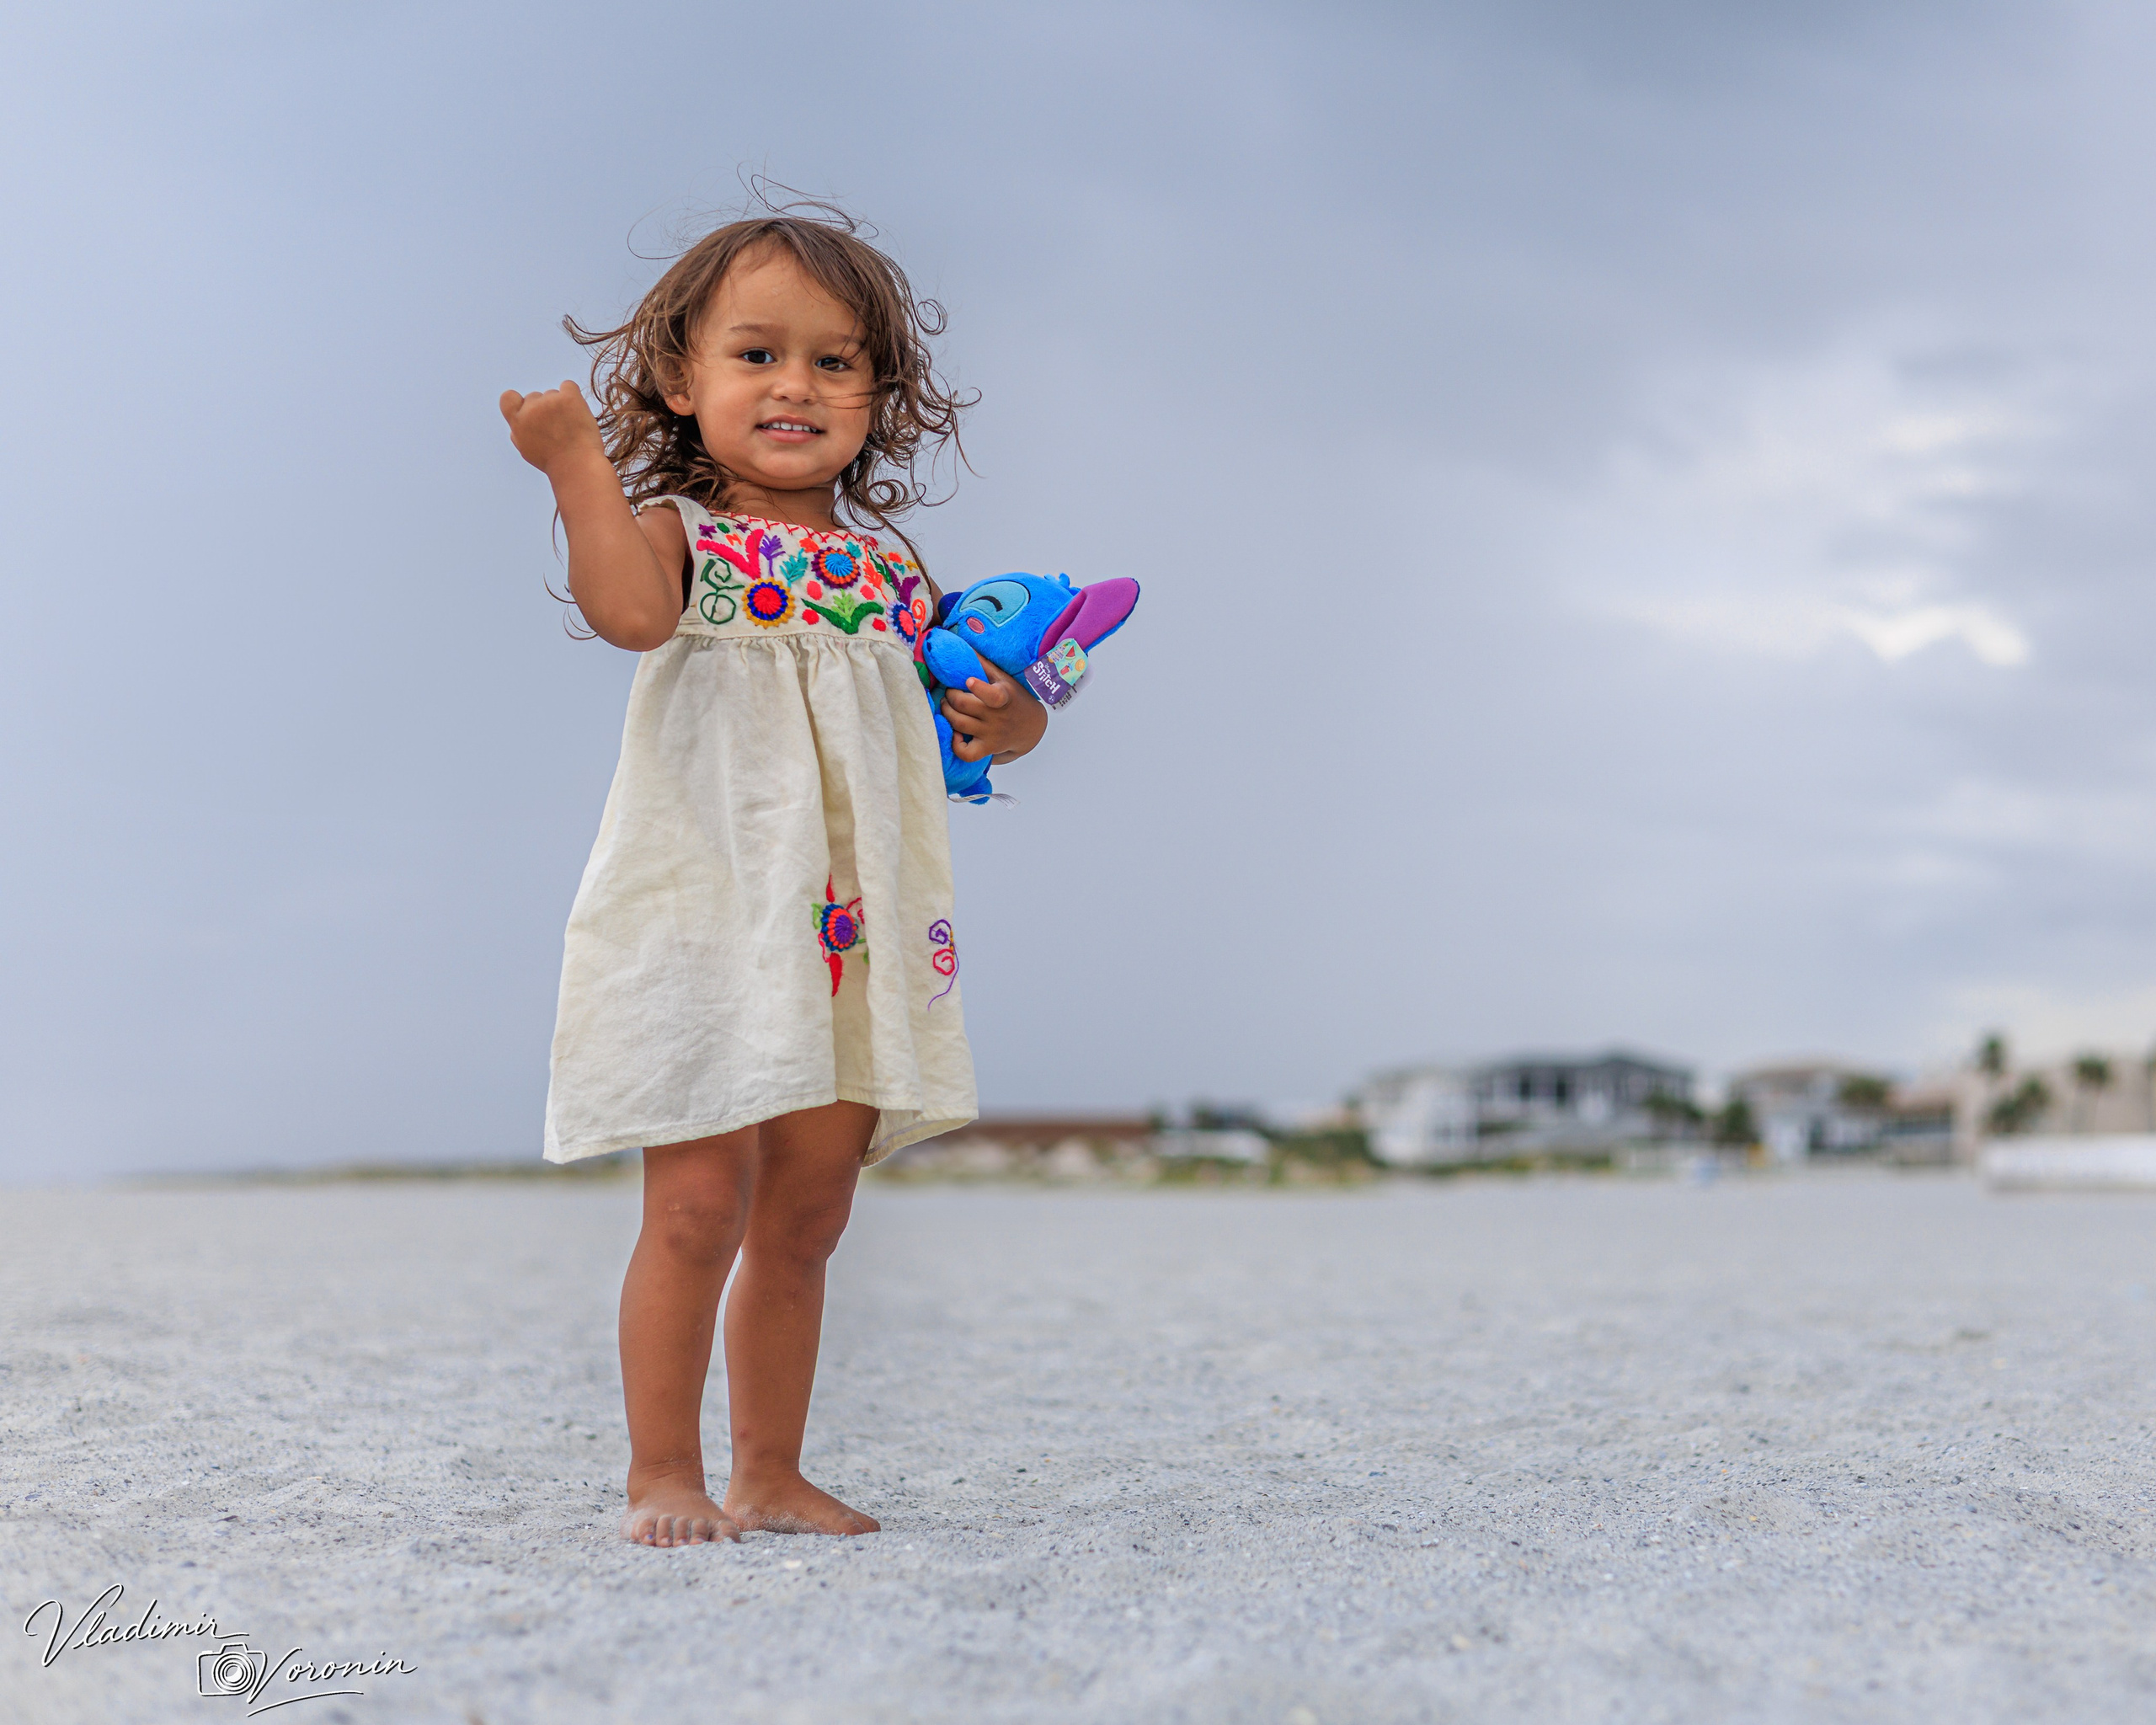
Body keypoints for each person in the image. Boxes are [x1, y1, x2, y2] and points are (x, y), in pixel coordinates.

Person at [500, 204, 1043, 1546]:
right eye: (757, 353)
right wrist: (576, 467)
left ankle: (772, 1470)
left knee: (808, 1209)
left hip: (845, 929)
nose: (797, 385)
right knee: (694, 1205)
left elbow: (963, 700)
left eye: (836, 361)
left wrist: (1012, 717)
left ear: (879, 394)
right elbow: (626, 612)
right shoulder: (685, 536)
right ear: (685, 381)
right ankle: (661, 1474)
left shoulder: (889, 566)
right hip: (710, 911)